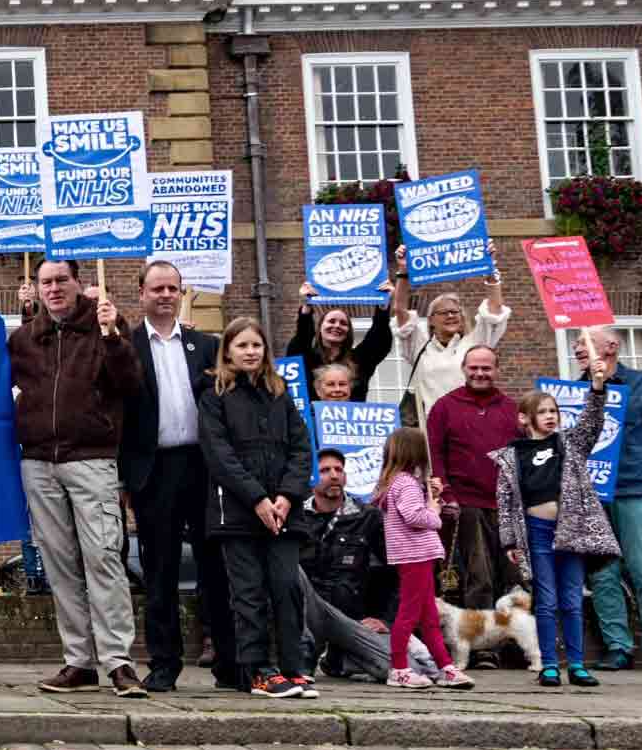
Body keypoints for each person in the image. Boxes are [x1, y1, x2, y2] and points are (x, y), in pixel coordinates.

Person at [10, 258, 146, 698]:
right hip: (38, 461)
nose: (53, 289)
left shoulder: (106, 329)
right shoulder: (24, 339)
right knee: (59, 564)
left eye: (61, 281)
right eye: (45, 282)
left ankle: (119, 661)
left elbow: (131, 386)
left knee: (103, 557)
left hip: (91, 459)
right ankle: (79, 661)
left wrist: (113, 336)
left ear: (79, 284)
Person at [119, 261, 232, 693]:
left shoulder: (205, 346)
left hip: (202, 468)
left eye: (173, 288)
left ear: (181, 293)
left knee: (215, 568)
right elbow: (122, 417)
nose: (165, 295)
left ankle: (228, 660)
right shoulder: (126, 347)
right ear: (142, 293)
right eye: (157, 288)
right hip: (155, 471)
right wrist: (126, 477)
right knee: (160, 571)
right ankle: (164, 664)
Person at [198, 317, 315, 699]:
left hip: (283, 511)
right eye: (243, 345)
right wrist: (256, 498)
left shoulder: (280, 394)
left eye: (257, 345)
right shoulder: (214, 396)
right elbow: (220, 455)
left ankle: (293, 667)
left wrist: (285, 495)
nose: (251, 352)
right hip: (236, 512)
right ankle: (257, 670)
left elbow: (301, 448)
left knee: (286, 587)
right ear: (228, 350)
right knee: (248, 593)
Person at [494, 375, 620, 687]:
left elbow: (592, 423)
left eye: (554, 411)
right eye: (543, 411)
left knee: (572, 599)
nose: (551, 416)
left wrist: (598, 389)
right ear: (525, 418)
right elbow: (505, 500)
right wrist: (509, 538)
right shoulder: (511, 456)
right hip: (536, 532)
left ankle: (577, 664)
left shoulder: (569, 444)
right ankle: (549, 664)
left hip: (571, 531)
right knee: (546, 600)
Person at [576, 328, 642, 673]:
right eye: (577, 343)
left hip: (637, 488)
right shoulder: (573, 391)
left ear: (611, 347)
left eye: (584, 342)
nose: (577, 347)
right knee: (603, 575)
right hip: (592, 494)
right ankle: (618, 646)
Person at [425, 345, 522, 657]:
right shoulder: (444, 407)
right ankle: (481, 648)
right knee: (478, 576)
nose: (480, 373)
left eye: (487, 368)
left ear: (497, 369)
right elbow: (435, 454)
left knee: (513, 577)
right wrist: (447, 493)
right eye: (474, 368)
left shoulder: (511, 408)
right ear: (464, 369)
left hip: (507, 505)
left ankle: (513, 643)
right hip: (466, 503)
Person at [299, 448, 427, 682]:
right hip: (305, 618)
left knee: (408, 670)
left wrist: (385, 618)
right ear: (312, 478)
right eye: (325, 471)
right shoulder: (295, 516)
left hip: (351, 622)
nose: (334, 475)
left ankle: (337, 659)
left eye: (339, 469)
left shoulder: (368, 517)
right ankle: (311, 657)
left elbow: (398, 572)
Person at [374, 427, 472, 690]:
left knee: (428, 617)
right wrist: (435, 512)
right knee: (408, 614)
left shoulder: (397, 482)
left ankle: (445, 666)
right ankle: (399, 669)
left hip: (415, 556)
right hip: (414, 556)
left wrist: (431, 497)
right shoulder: (405, 483)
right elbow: (416, 517)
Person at [393, 252, 509, 418]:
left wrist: (491, 272)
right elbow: (400, 310)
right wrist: (403, 271)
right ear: (431, 319)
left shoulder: (476, 343)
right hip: (434, 427)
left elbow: (494, 309)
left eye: (455, 312)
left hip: (473, 422)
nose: (451, 316)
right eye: (444, 312)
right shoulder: (419, 347)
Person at [285, 256, 402, 403]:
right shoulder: (307, 359)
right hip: (313, 424)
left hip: (352, 423)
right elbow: (299, 343)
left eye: (343, 323)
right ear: (319, 328)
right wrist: (307, 307)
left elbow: (379, 342)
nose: (337, 326)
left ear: (349, 332)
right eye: (331, 321)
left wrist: (383, 306)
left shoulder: (359, 360)